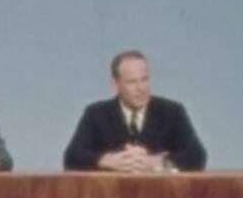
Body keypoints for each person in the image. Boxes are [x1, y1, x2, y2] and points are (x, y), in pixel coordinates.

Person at [63, 50, 206, 172]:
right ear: (115, 84)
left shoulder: (172, 112)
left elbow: (197, 155)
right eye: (132, 82)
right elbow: (71, 157)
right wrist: (106, 160)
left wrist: (157, 163)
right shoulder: (96, 114)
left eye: (144, 79)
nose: (140, 88)